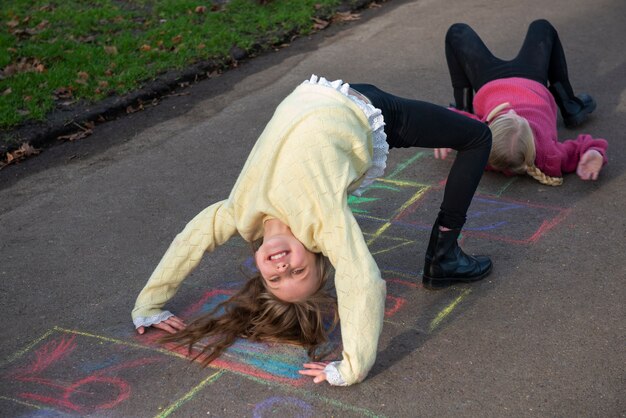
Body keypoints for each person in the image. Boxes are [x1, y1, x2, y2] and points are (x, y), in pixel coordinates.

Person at [131, 75, 493, 386]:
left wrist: (150, 304)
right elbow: (361, 280)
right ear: (318, 251)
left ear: (259, 267)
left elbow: (191, 241)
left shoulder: (239, 214)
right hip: (374, 114)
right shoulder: (323, 221)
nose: (282, 266)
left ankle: (451, 123)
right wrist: (351, 367)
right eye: (297, 271)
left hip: (327, 95)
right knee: (478, 137)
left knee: (454, 128)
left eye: (275, 279)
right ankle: (443, 256)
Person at [436, 19, 608, 185]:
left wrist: (445, 131)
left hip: (490, 82)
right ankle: (570, 104)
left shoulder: (481, 147)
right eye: (519, 118)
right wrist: (595, 152)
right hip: (530, 79)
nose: (512, 110)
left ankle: (463, 104)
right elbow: (579, 148)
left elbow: (451, 118)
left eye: (504, 117)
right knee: (542, 26)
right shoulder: (550, 157)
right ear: (532, 142)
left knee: (457, 31)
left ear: (489, 131)